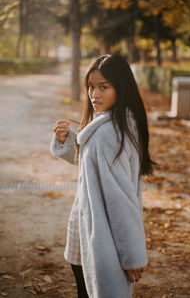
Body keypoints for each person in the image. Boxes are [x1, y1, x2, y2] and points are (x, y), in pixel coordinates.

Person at [50, 54, 156, 298]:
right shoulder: (122, 123)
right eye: (91, 86)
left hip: (101, 240)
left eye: (103, 87)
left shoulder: (107, 135)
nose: (94, 95)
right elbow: (92, 165)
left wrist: (132, 255)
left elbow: (121, 201)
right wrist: (68, 141)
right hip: (87, 233)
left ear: (121, 88)